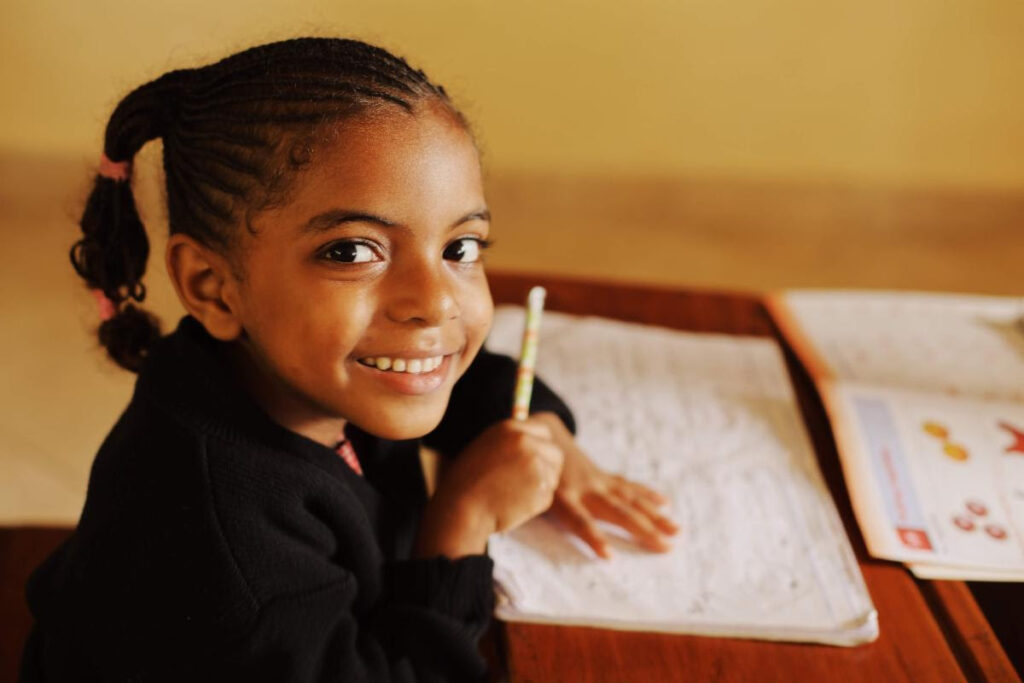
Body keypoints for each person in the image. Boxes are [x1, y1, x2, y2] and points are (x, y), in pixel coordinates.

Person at [20, 37, 679, 681]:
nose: (433, 304)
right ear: (210, 286)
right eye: (352, 251)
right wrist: (460, 522)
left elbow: (469, 377)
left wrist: (544, 429)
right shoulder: (232, 558)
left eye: (462, 248)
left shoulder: (305, 365)